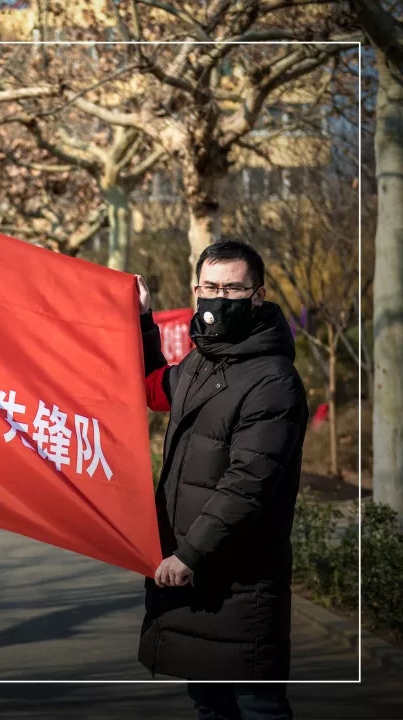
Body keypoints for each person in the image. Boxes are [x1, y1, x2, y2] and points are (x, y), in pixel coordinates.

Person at [136, 240, 308, 719]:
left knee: (257, 707)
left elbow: (248, 485)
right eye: (210, 287)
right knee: (209, 706)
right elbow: (152, 387)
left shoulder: (273, 380)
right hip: (193, 577)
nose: (219, 298)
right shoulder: (202, 362)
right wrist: (143, 319)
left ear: (258, 295)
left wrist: (189, 554)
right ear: (196, 290)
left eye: (233, 289)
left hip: (240, 582)